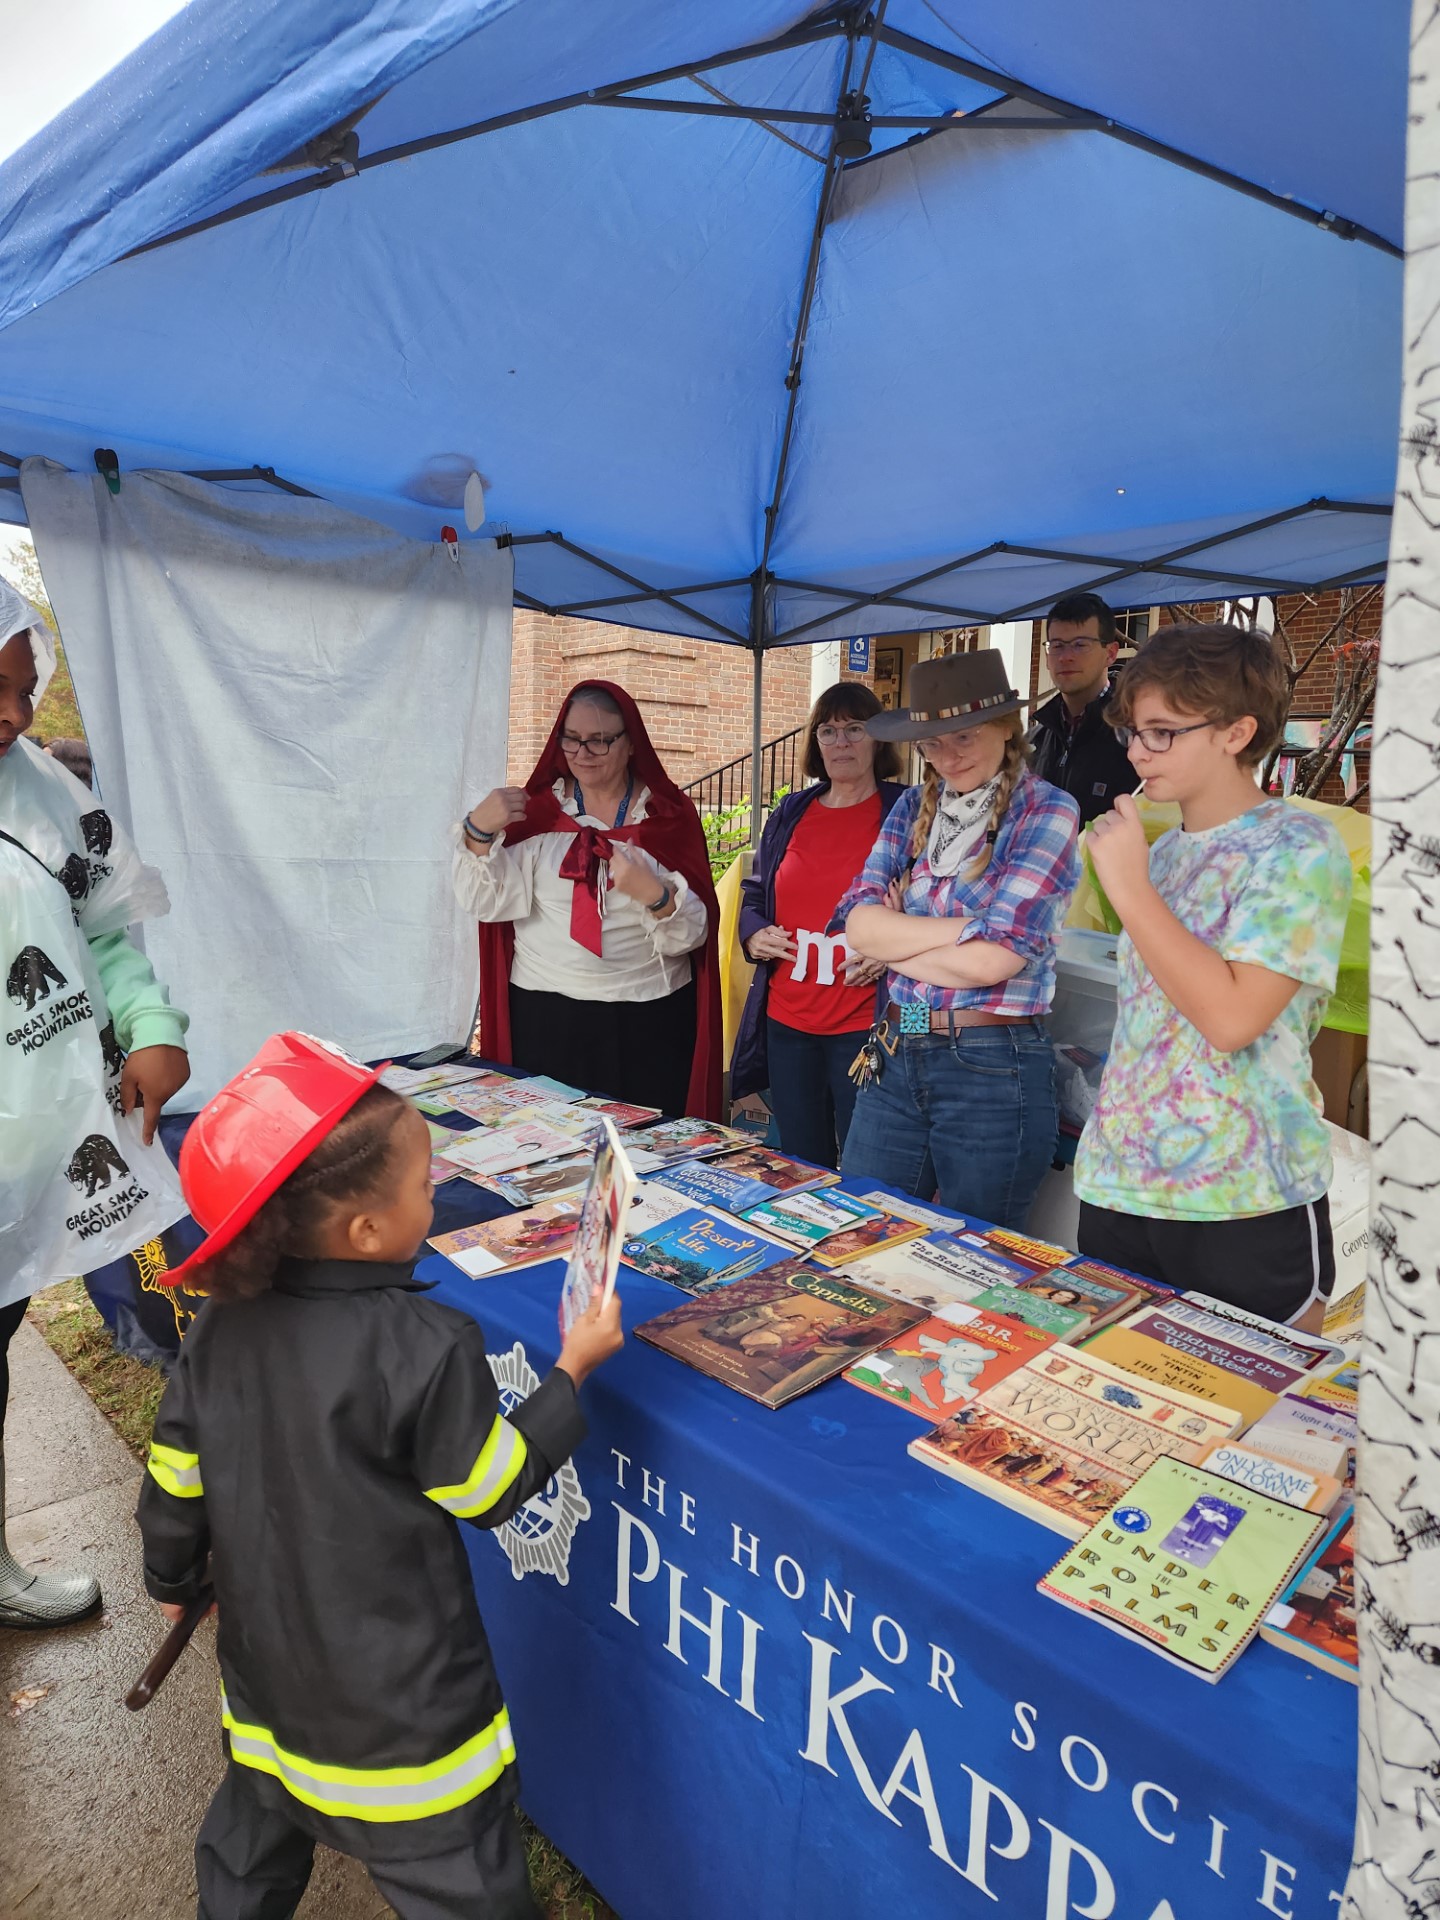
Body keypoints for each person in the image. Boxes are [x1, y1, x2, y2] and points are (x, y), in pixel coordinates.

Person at [136, 1032, 624, 1920]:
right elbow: (490, 1489)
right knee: (462, 1885)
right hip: (408, 1722)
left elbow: (175, 1474)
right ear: (365, 1230)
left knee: (249, 1850)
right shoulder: (427, 1348)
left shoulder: (219, 1325)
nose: (436, 1195)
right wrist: (571, 1374)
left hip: (270, 1684)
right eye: (426, 1184)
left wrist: (170, 1578)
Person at [0, 582, 190, 1629]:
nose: (18, 714)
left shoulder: (45, 792)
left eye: (25, 688)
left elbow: (109, 932)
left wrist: (153, 1025)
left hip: (32, 1141)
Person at [1074, 623, 1352, 1330]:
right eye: (1134, 732)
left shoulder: (1299, 846)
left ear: (1236, 733)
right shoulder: (1160, 854)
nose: (1138, 751)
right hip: (1122, 1182)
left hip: (1244, 1194)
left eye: (1162, 732)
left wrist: (1131, 890)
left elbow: (1232, 1020)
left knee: (1259, 1416)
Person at [835, 651, 1081, 1228]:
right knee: (860, 1231)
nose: (947, 757)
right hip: (900, 1041)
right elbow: (856, 925)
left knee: (977, 1254)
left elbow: (993, 963)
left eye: (963, 738)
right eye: (932, 744)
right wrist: (965, 933)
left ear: (1005, 728)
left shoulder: (1046, 809)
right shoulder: (910, 810)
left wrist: (895, 942)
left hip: (992, 1061)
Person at [457, 681, 722, 1118]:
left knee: (643, 1156)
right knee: (551, 1154)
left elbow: (691, 939)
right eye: (572, 739)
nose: (582, 753)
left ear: (631, 742)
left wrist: (656, 896)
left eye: (599, 740)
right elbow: (486, 904)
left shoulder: (666, 818)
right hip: (545, 1018)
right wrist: (477, 832)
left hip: (648, 1020)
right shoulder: (536, 815)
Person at [733, 683, 910, 1166]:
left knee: (869, 1166)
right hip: (789, 1021)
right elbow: (756, 891)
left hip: (865, 1025)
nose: (841, 743)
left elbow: (931, 901)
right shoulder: (793, 811)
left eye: (855, 729)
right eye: (828, 731)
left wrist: (891, 948)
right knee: (800, 1162)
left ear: (878, 741)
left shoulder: (907, 810)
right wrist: (754, 931)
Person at [1029, 592, 1140, 826]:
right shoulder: (1034, 742)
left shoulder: (1136, 737)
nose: (1066, 657)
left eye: (1080, 645)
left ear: (1110, 653)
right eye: (1057, 646)